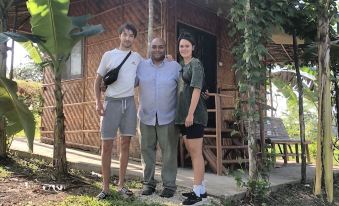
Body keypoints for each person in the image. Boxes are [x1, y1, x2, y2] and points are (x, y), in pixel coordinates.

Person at [94, 22, 142, 199]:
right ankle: (105, 188)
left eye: (131, 35)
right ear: (120, 35)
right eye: (125, 34)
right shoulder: (109, 55)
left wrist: (167, 59)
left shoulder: (137, 57)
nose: (128, 38)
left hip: (129, 103)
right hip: (111, 103)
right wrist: (98, 103)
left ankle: (121, 185)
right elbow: (97, 81)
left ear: (134, 39)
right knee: (106, 145)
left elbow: (146, 71)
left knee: (125, 144)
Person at [136, 38, 181, 198]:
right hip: (146, 116)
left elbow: (184, 88)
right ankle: (148, 184)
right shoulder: (141, 66)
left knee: (169, 152)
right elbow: (130, 82)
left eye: (160, 47)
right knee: (146, 151)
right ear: (150, 48)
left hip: (168, 117)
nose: (157, 50)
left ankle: (169, 185)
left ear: (165, 48)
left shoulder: (174, 66)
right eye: (154, 47)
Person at [175, 33, 208, 205]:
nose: (184, 49)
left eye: (187, 45)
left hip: (193, 115)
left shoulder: (195, 63)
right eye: (181, 46)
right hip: (183, 116)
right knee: (193, 150)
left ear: (193, 47)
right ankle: (201, 190)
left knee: (195, 153)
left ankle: (197, 192)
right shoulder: (182, 65)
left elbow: (196, 89)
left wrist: (190, 114)